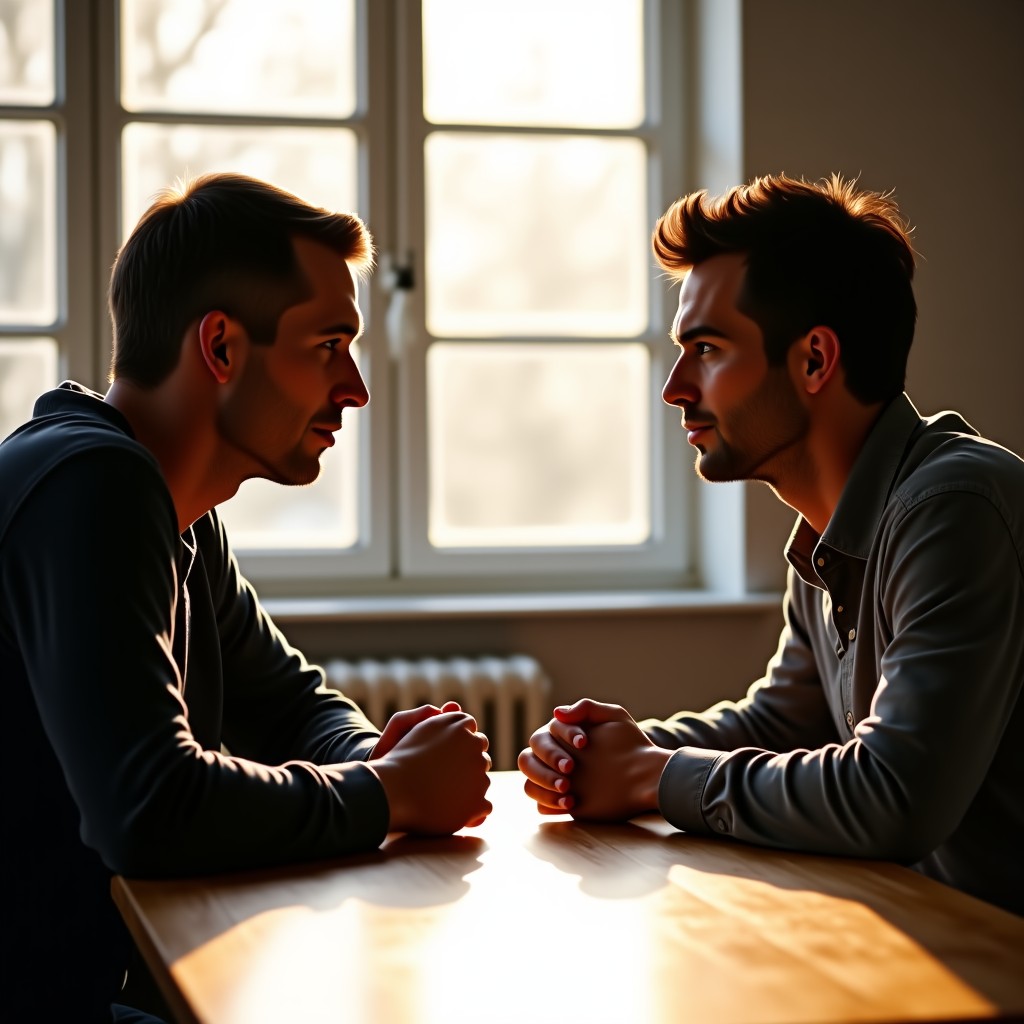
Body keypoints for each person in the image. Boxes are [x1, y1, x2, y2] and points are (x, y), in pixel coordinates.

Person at [0, 173, 492, 1021]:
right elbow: (150, 810)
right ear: (221, 348)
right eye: (327, 346)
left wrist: (377, 754)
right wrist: (394, 794)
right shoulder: (93, 484)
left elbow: (292, 702)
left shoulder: (176, 510)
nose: (356, 389)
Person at [519, 173, 1024, 917]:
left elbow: (893, 796)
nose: (675, 387)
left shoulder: (956, 508)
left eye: (707, 349)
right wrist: (603, 751)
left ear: (815, 360)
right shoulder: (830, 530)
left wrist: (651, 776)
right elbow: (784, 725)